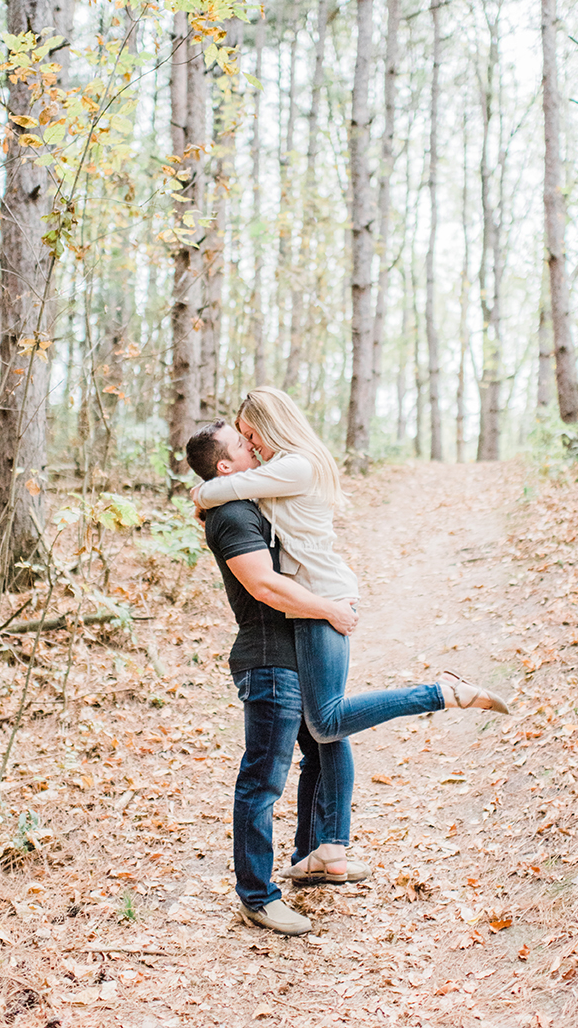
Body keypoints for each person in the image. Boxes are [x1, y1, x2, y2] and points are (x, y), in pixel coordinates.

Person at [190, 388, 509, 884]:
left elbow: (220, 489)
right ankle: (327, 852)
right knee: (326, 731)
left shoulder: (296, 466)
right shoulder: (278, 472)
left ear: (271, 426)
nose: (251, 444)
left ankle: (441, 692)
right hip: (314, 603)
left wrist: (201, 494)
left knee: (329, 721)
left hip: (322, 602)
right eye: (243, 440)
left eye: (252, 434)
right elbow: (235, 492)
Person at [185, 421, 368, 937]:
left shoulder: (250, 499)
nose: (254, 447)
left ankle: (312, 856)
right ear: (226, 466)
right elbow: (264, 585)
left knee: (322, 748)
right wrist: (330, 609)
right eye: (243, 445)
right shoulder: (232, 514)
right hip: (268, 661)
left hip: (296, 652)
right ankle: (257, 897)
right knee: (263, 779)